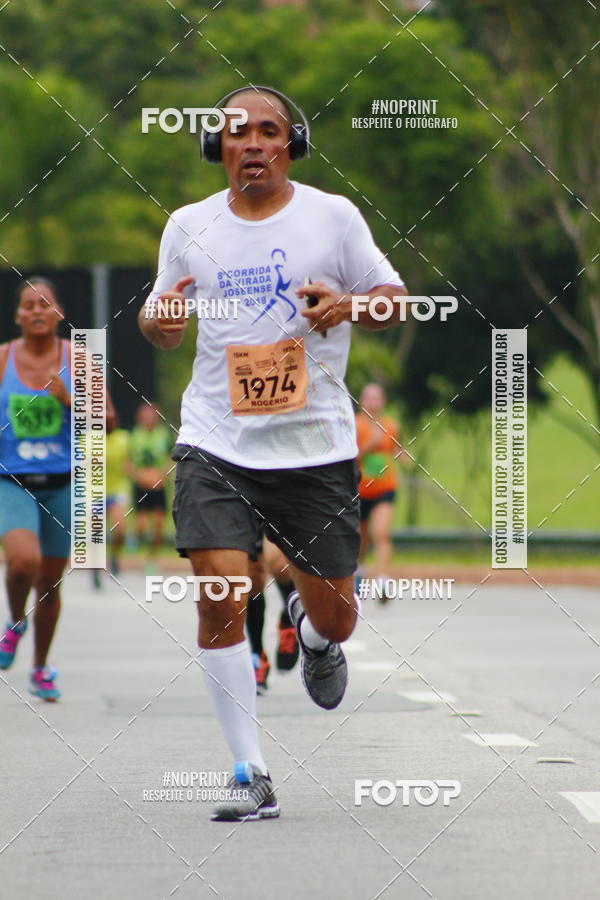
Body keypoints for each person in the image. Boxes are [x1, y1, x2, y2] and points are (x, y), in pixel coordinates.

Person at [138, 85, 407, 821]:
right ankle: (249, 771)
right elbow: (160, 319)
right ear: (216, 148)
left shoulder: (333, 217)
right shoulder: (189, 225)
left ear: (292, 144)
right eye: (236, 132)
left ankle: (315, 638)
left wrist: (351, 305)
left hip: (314, 447)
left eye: (268, 131)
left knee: (339, 614)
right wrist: (159, 321)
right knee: (221, 588)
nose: (252, 142)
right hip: (215, 441)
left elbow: (396, 297)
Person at [0, 277, 115, 699]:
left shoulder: (78, 360)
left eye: (44, 303)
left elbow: (110, 423)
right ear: (17, 315)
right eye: (27, 304)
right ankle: (15, 622)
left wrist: (71, 400)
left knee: (50, 581)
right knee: (22, 562)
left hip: (63, 484)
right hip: (11, 481)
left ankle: (42, 667)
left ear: (58, 314)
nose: (35, 310)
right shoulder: (2, 359)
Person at [355, 384, 403, 602]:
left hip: (385, 488)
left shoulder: (391, 426)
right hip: (358, 491)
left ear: (383, 402)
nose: (373, 403)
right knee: (361, 540)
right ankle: (359, 572)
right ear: (362, 401)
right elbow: (350, 460)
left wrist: (402, 456)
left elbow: (395, 448)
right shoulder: (354, 426)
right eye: (369, 398)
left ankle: (383, 580)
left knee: (381, 533)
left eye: (377, 398)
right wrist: (368, 446)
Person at [128, 402, 172, 573]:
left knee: (159, 526)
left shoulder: (163, 435)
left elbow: (170, 458)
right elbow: (127, 462)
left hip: (158, 485)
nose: (149, 420)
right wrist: (140, 477)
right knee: (141, 525)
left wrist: (161, 475)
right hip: (141, 485)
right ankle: (134, 538)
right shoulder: (134, 436)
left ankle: (151, 559)